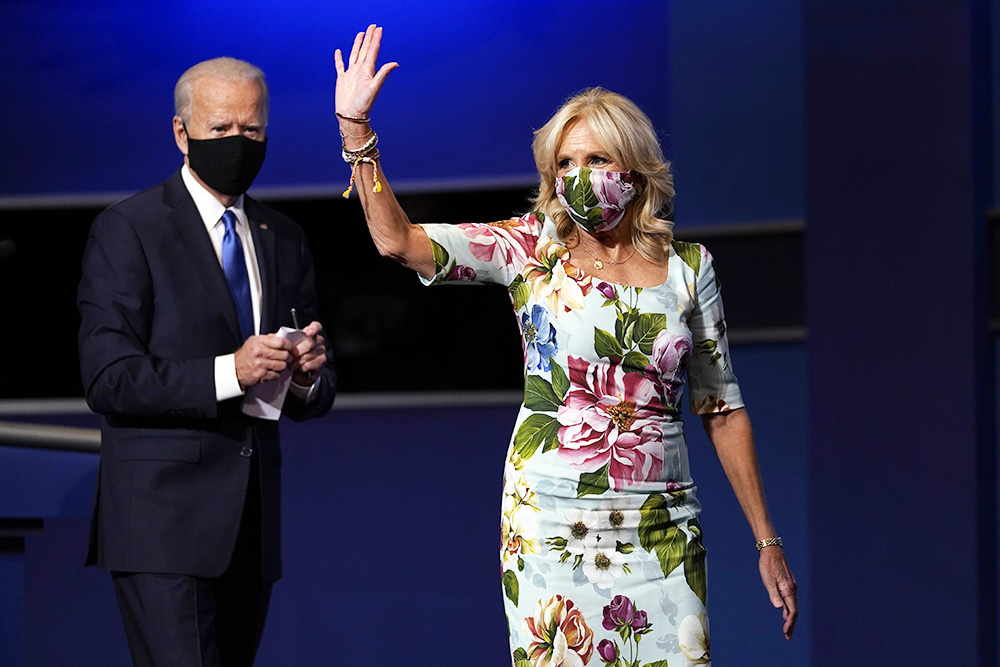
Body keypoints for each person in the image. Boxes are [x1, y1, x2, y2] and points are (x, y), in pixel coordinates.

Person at [335, 24, 797, 665]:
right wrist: (357, 132)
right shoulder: (530, 248)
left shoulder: (691, 268)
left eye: (598, 160)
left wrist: (765, 540)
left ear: (634, 171)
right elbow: (401, 243)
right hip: (550, 523)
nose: (581, 177)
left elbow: (720, 405)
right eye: (565, 164)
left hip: (661, 526)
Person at [77, 56, 337, 666]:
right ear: (181, 132)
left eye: (252, 131)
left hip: (249, 529)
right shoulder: (128, 229)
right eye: (221, 130)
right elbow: (109, 378)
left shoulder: (283, 235)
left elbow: (316, 390)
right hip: (163, 526)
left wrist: (306, 377)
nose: (239, 144)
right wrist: (232, 371)